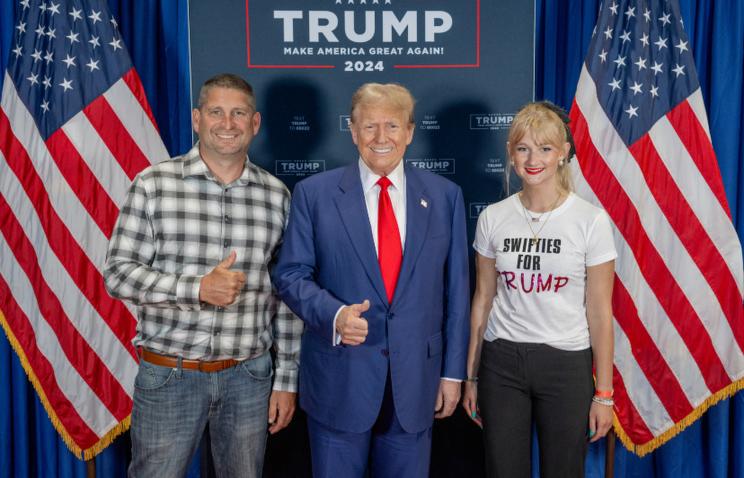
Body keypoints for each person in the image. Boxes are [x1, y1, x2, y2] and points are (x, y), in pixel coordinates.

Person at [104, 73, 303, 478]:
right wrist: (196, 289)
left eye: (238, 113)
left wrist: (285, 378)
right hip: (171, 372)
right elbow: (118, 274)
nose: (227, 123)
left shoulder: (277, 195)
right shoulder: (154, 184)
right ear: (197, 119)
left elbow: (286, 296)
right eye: (216, 112)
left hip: (249, 374)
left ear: (255, 122)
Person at [272, 82, 470, 478]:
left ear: (410, 131)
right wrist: (335, 314)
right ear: (352, 130)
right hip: (338, 382)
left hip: (416, 384)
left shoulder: (445, 196)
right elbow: (290, 274)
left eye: (392, 126)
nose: (381, 138)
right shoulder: (314, 194)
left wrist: (452, 373)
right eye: (369, 127)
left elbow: (458, 293)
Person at [462, 101, 616, 477]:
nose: (534, 159)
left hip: (566, 363)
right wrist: (472, 376)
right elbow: (483, 299)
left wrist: (605, 394)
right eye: (523, 148)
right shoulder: (493, 218)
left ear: (563, 153)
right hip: (501, 363)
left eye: (545, 148)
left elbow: (599, 311)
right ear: (511, 154)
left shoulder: (590, 221)